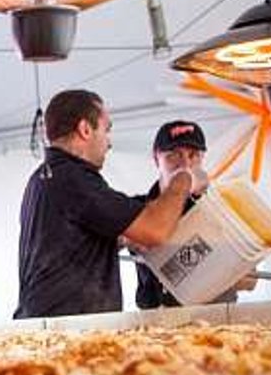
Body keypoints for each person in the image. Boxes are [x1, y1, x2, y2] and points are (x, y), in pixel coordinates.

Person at [15, 90, 202, 319]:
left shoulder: (46, 177)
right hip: (67, 331)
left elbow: (73, 244)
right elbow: (156, 230)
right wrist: (184, 180)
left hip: (55, 325)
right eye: (106, 129)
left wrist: (121, 238)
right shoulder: (73, 179)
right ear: (85, 129)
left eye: (194, 155)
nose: (109, 142)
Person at [134, 120, 256, 308]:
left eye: (193, 155)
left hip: (214, 318)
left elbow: (250, 281)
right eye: (173, 155)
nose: (185, 164)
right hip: (156, 320)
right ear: (156, 158)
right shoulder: (136, 207)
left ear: (202, 158)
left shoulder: (224, 208)